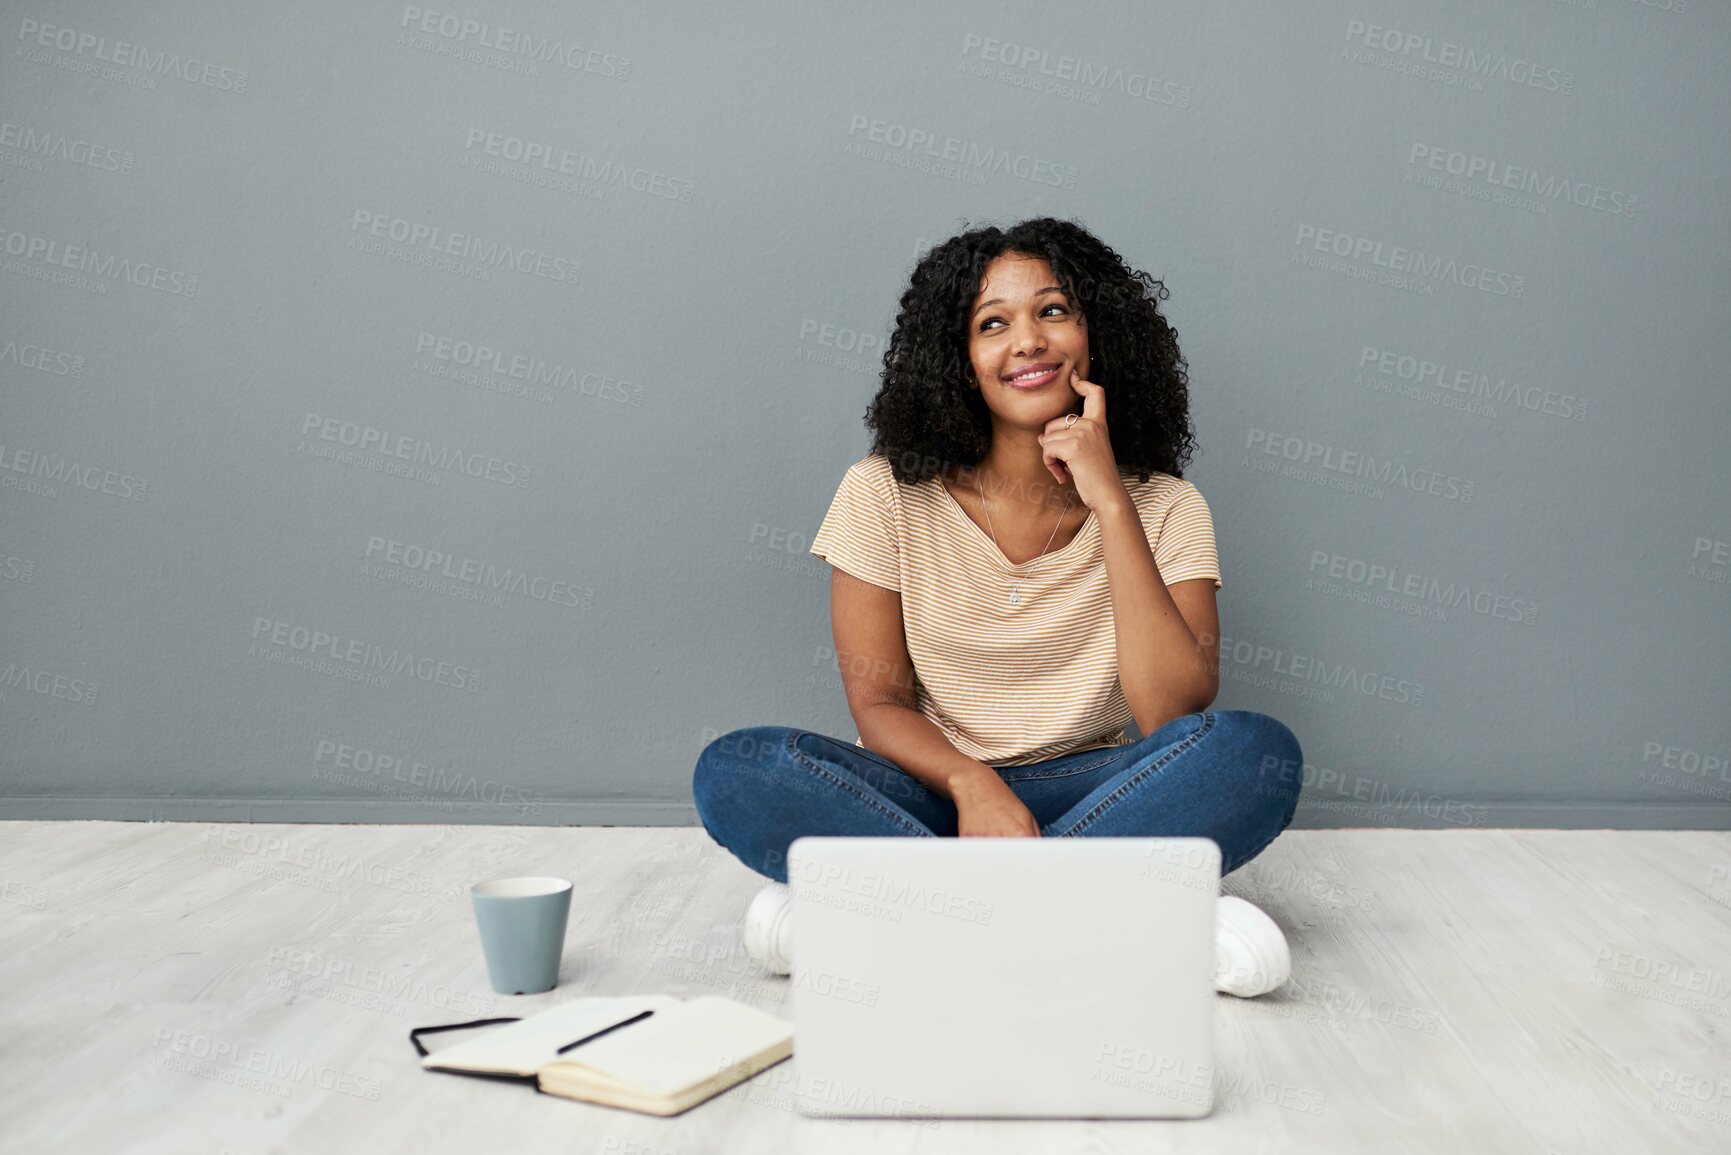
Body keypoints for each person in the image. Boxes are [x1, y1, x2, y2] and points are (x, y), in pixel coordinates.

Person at [693, 217, 1304, 996]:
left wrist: (1109, 497)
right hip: (935, 788)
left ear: (1097, 335)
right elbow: (877, 701)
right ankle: (1113, 908)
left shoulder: (1167, 505)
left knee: (1249, 752)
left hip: (1103, 782)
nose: (1027, 341)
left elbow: (1170, 712)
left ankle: (908, 909)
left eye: (1053, 310)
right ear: (958, 360)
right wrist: (972, 784)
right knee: (736, 769)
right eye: (992, 323)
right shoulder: (881, 492)